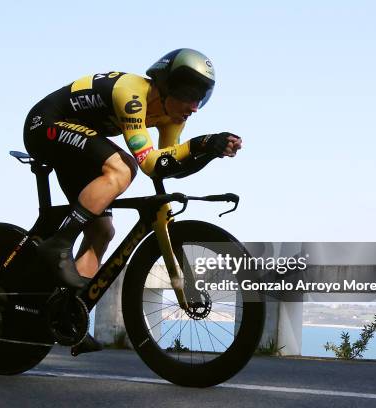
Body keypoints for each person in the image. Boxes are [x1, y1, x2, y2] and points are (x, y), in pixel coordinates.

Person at [23, 48, 242, 355]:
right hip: (44, 124)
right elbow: (149, 163)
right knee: (123, 167)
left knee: (102, 232)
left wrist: (209, 150)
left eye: (200, 98)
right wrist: (201, 143)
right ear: (166, 85)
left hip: (78, 139)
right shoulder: (133, 94)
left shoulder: (171, 116)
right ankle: (59, 243)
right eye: (190, 94)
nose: (194, 106)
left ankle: (71, 313)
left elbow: (169, 165)